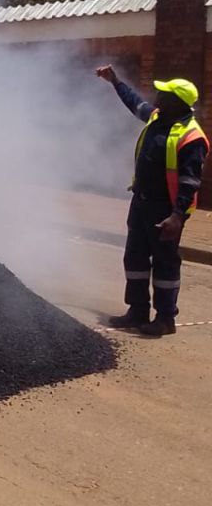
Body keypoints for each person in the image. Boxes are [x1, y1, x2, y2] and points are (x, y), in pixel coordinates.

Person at [96, 67, 209, 336]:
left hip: (166, 210)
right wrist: (116, 82)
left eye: (164, 94)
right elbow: (135, 103)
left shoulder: (192, 138)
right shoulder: (158, 118)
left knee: (164, 263)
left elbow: (190, 182)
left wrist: (177, 216)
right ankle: (137, 311)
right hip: (142, 203)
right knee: (134, 257)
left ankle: (165, 318)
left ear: (177, 102)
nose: (157, 98)